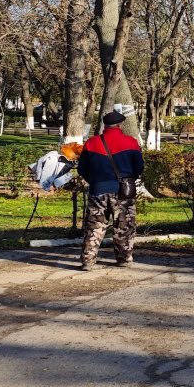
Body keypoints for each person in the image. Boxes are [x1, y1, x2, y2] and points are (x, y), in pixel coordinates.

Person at [78, 110, 145, 271]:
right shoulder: (130, 142)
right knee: (124, 225)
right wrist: (129, 179)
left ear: (105, 125)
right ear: (120, 125)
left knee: (94, 226)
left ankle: (88, 260)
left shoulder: (92, 143)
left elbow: (82, 169)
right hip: (123, 191)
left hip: (97, 190)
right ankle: (124, 258)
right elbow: (139, 167)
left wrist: (94, 181)